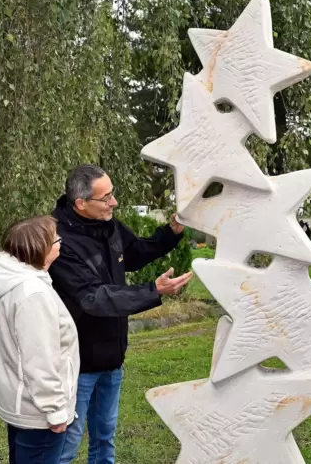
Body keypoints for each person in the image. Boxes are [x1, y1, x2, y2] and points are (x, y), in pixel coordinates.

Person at [49, 164, 193, 464]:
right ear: (80, 203)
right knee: (66, 445)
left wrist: (173, 230)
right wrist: (153, 292)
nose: (113, 203)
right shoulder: (57, 241)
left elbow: (136, 253)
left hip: (112, 358)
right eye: (106, 198)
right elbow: (93, 298)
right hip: (77, 364)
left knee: (104, 438)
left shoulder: (108, 224)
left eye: (112, 195)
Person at [0, 215, 80, 464]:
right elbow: (40, 359)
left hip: (23, 404)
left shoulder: (15, 282)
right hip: (38, 414)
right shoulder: (32, 293)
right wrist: (55, 411)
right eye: (56, 239)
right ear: (41, 249)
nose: (61, 243)